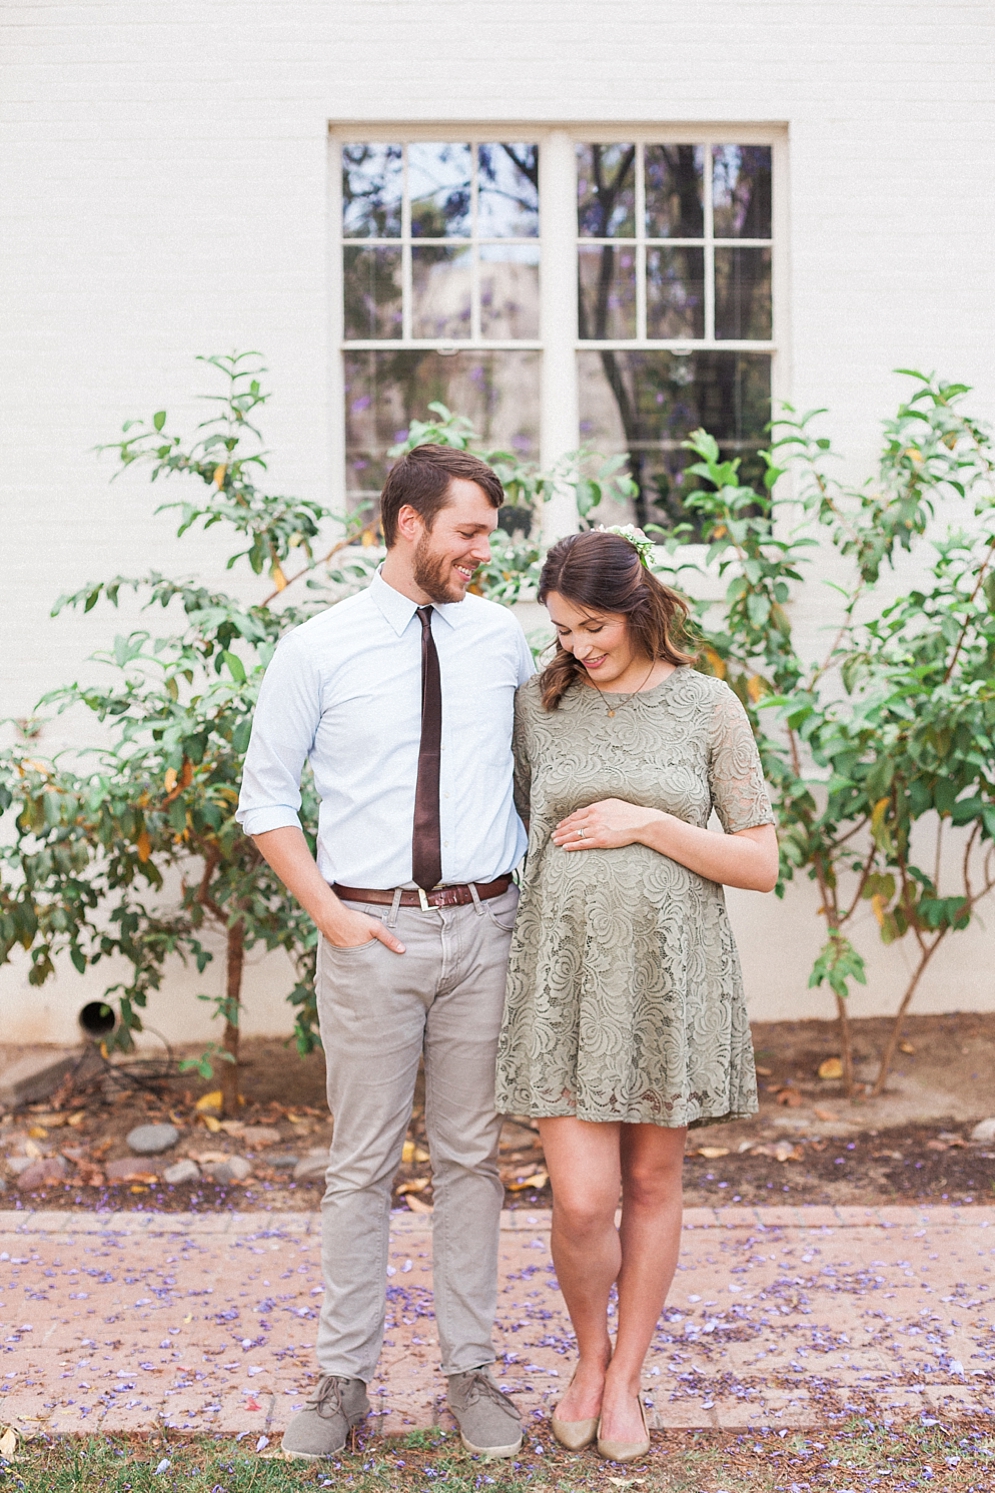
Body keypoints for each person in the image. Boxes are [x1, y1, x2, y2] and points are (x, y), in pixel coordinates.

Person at [236, 444, 534, 1461]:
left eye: (485, 534)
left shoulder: (501, 639)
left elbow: (537, 774)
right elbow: (265, 800)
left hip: (483, 928)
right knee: (359, 1165)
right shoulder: (314, 647)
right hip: (367, 932)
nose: (479, 552)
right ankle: (340, 1378)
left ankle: (471, 1371)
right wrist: (327, 912)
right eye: (467, 531)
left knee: (471, 1160)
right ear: (408, 524)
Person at [495, 527, 778, 1462]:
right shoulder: (540, 707)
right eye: (563, 629)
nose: (577, 646)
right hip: (564, 978)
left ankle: (623, 1381)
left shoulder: (707, 706)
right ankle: (587, 1354)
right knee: (580, 1198)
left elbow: (759, 860)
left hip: (669, 974)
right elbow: (524, 825)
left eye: (591, 625)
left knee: (652, 1181)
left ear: (636, 603)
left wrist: (649, 822)